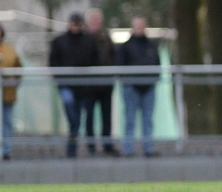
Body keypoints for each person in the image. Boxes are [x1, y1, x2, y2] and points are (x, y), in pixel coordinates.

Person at [49, 13, 99, 157]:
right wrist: (61, 80)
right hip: (67, 85)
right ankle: (72, 149)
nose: (76, 26)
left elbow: (95, 61)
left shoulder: (89, 40)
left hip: (86, 87)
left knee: (88, 118)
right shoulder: (60, 41)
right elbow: (53, 62)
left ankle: (90, 148)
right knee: (73, 118)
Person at [115, 16, 160, 157]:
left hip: (148, 88)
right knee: (130, 119)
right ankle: (128, 149)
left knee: (148, 119)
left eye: (141, 25)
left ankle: (148, 148)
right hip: (131, 88)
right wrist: (128, 82)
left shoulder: (151, 46)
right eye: (137, 25)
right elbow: (120, 66)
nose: (139, 28)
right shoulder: (126, 46)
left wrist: (152, 81)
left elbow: (157, 65)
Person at [84, 8, 119, 156]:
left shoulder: (107, 38)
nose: (95, 23)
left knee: (106, 116)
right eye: (93, 21)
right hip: (89, 85)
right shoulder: (83, 39)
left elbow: (113, 56)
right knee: (89, 116)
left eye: (97, 21)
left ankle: (107, 144)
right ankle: (91, 146)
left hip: (105, 84)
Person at [0, 22, 23, 160]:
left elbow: (18, 68)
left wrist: (14, 82)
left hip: (7, 92)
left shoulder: (10, 50)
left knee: (7, 121)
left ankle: (6, 150)